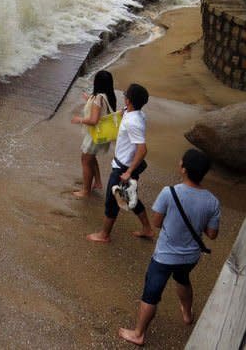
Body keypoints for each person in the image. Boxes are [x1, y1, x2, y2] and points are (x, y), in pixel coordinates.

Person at [118, 149, 220, 347]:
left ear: (183, 169)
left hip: (165, 255)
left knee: (152, 292)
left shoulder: (169, 192)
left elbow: (156, 222)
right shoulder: (212, 201)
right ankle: (187, 314)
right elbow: (212, 234)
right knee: (182, 279)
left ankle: (139, 333)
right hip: (190, 257)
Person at [87, 83, 153, 242]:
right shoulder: (135, 114)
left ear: (128, 100)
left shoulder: (133, 122)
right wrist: (123, 112)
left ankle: (104, 235)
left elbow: (142, 150)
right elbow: (127, 116)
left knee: (112, 201)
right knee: (129, 197)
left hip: (124, 169)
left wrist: (129, 172)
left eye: (125, 95)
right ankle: (147, 229)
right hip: (125, 166)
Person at [70, 70, 118, 198]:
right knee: (91, 157)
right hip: (100, 134)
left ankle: (86, 191)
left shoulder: (98, 98)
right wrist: (88, 99)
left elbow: (94, 120)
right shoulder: (108, 96)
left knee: (85, 160)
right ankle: (97, 182)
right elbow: (100, 109)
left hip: (94, 135)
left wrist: (78, 120)